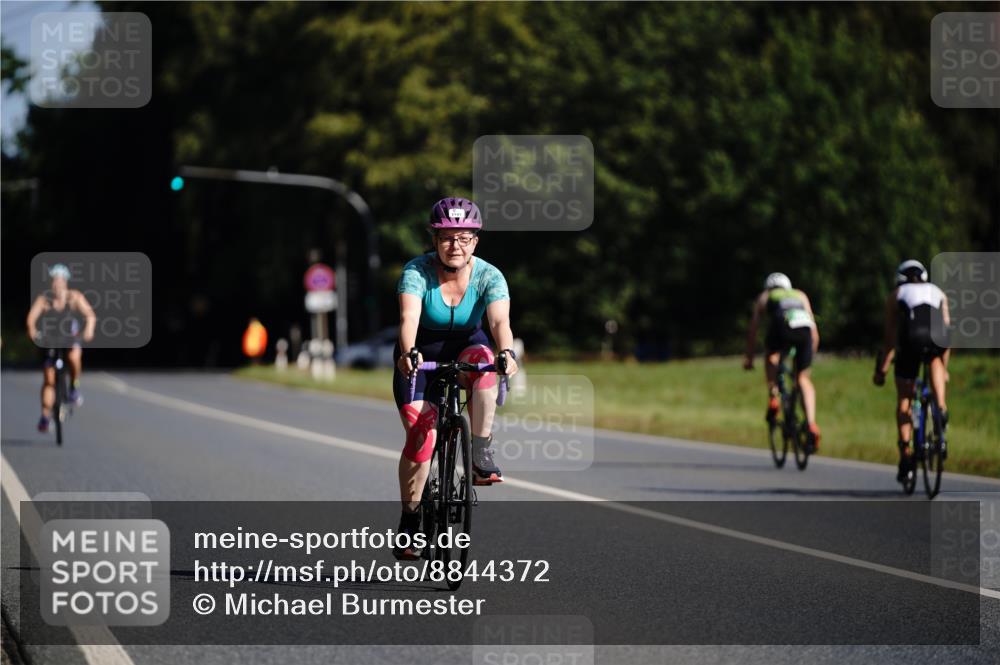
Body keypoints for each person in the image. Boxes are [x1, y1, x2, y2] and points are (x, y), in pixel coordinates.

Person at [392, 197, 518, 560]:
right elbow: (408, 319)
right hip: (419, 354)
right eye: (447, 237)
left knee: (484, 364)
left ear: (475, 240)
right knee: (421, 435)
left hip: (466, 346)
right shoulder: (416, 272)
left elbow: (499, 323)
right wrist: (408, 352)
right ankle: (410, 520)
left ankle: (479, 450)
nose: (455, 246)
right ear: (434, 240)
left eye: (463, 237)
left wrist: (507, 353)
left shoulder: (489, 276)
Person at [873, 259, 950, 484]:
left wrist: (882, 370)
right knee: (935, 359)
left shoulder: (897, 294)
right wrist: (944, 369)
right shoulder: (938, 292)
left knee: (905, 399)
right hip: (938, 338)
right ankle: (941, 408)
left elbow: (889, 339)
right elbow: (947, 330)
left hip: (911, 340)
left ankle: (906, 453)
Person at [743, 272, 821, 451]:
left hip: (781, 325)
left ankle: (773, 396)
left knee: (771, 357)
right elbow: (814, 331)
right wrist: (809, 358)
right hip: (805, 330)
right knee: (803, 379)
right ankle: (811, 423)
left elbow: (753, 329)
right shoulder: (800, 295)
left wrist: (749, 358)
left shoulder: (765, 296)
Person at [26, 264, 97, 432]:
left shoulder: (74, 297)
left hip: (69, 338)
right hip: (50, 340)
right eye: (53, 281)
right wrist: (33, 332)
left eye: (59, 280)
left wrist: (88, 330)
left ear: (65, 282)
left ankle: (73, 386)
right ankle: (45, 416)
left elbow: (90, 315)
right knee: (49, 378)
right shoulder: (44, 299)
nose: (56, 284)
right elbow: (31, 319)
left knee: (74, 357)